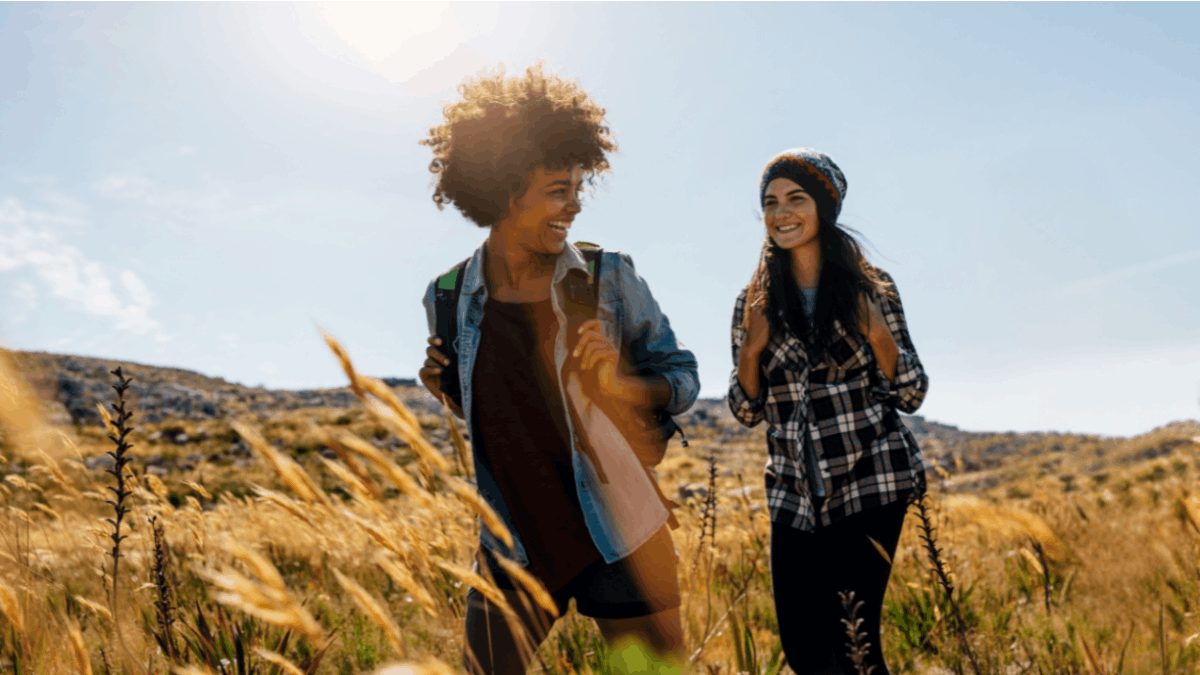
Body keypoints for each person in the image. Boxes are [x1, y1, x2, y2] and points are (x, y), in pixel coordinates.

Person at [417, 66, 699, 675]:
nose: (574, 205)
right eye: (557, 189)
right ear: (505, 189)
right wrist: (445, 391)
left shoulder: (608, 277)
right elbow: (499, 414)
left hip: (619, 535)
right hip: (513, 545)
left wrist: (621, 385)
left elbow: (682, 378)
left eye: (578, 188)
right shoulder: (447, 297)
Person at [728, 148, 929, 675]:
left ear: (825, 206)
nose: (781, 213)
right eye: (770, 202)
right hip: (793, 494)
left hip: (870, 481)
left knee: (851, 647)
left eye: (796, 198)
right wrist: (750, 350)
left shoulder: (873, 287)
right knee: (803, 653)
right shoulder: (753, 300)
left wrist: (877, 334)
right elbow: (746, 411)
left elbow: (911, 393)